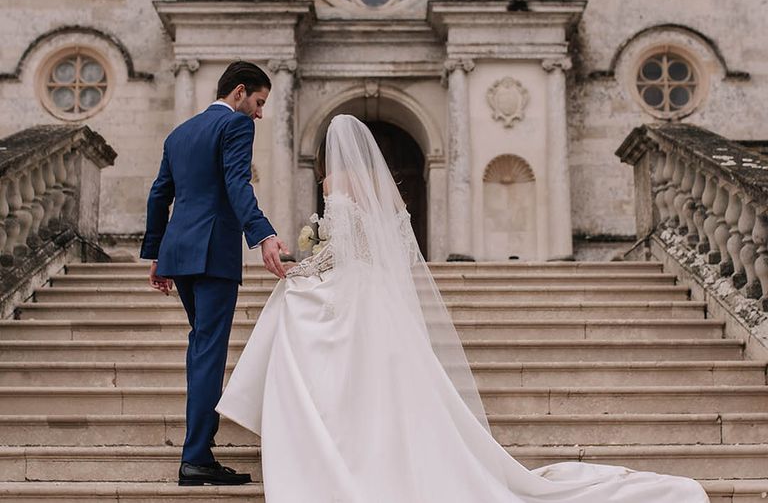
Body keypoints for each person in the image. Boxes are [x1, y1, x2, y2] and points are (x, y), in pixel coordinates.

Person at [217, 114, 710, 502]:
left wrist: (305, 266)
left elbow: (343, 249)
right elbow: (376, 245)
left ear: (324, 157)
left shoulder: (332, 188)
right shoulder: (375, 185)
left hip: (351, 289)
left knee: (302, 318)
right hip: (373, 296)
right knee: (378, 381)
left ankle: (330, 443)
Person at [140, 60, 289, 486]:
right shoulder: (237, 127)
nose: (259, 112)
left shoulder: (179, 133)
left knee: (200, 348)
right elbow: (237, 183)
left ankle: (197, 452)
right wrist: (263, 235)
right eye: (259, 102)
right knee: (207, 352)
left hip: (180, 254)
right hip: (211, 255)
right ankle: (196, 458)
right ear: (239, 92)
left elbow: (158, 195)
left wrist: (157, 253)